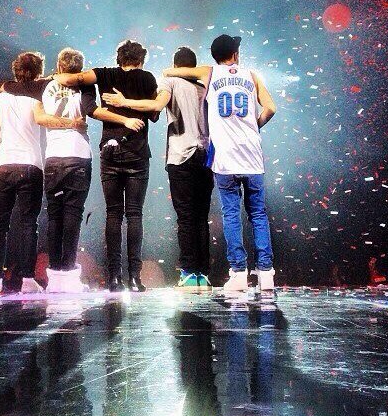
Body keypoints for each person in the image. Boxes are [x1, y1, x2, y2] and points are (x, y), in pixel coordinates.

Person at [1, 49, 145, 293]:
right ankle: (67, 274)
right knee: (73, 215)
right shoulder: (85, 86)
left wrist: (2, 88)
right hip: (78, 155)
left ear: (59, 66)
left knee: (54, 215)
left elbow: (12, 87)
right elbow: (91, 110)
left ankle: (55, 273)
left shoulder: (44, 85)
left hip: (53, 158)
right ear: (80, 68)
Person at [163, 35, 277, 300]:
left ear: (214, 56)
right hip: (252, 155)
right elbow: (271, 108)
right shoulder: (252, 75)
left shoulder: (209, 72)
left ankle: (238, 274)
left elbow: (173, 72)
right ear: (235, 54)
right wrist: (254, 127)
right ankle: (266, 273)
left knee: (231, 214)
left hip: (225, 157)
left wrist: (173, 71)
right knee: (258, 214)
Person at [102, 46, 214, 291]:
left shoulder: (170, 81)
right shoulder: (206, 85)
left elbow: (156, 106)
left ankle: (188, 272)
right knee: (201, 217)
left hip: (181, 155)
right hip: (205, 156)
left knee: (185, 217)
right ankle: (203, 274)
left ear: (175, 65)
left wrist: (124, 102)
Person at [52, 40, 158, 293]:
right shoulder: (148, 78)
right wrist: (133, 109)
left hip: (110, 152)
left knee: (113, 214)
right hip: (137, 153)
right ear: (141, 59)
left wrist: (57, 75)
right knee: (135, 215)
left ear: (118, 58)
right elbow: (154, 114)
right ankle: (135, 278)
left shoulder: (104, 74)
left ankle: (114, 278)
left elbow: (78, 90)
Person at [0, 52, 86, 295]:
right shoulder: (38, 96)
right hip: (31, 165)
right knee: (29, 223)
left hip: (3, 165)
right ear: (39, 72)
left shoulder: (1, 98)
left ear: (15, 71)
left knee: (0, 226)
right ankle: (27, 279)